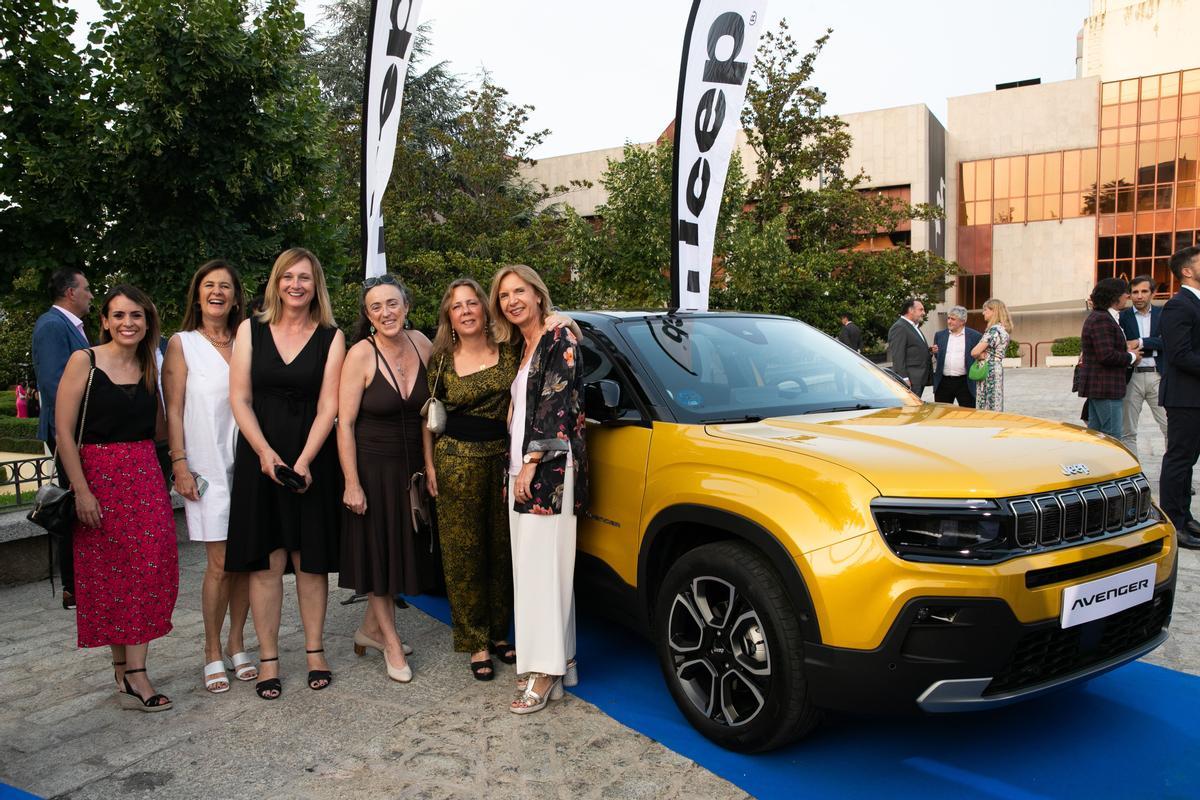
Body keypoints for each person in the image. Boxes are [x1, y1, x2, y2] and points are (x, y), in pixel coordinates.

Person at [226, 248, 345, 700]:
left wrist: (305, 461)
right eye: (288, 277)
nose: (296, 285)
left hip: (310, 455)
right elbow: (239, 399)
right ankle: (269, 657)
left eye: (306, 278)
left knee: (309, 560)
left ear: (317, 286)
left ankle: (315, 651)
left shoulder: (331, 337)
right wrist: (264, 453)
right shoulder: (249, 329)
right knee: (267, 561)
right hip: (261, 454)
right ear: (276, 282)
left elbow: (329, 405)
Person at [55, 284, 178, 712]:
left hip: (143, 474)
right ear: (104, 320)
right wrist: (82, 490)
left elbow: (160, 429)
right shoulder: (84, 361)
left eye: (137, 316)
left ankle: (136, 669)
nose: (128, 323)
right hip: (97, 477)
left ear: (148, 323)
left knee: (150, 567)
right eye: (119, 315)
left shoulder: (150, 365)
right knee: (108, 576)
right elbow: (63, 433)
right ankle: (125, 669)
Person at [491, 264, 588, 715]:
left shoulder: (557, 336)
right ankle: (560, 662)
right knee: (535, 573)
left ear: (537, 294)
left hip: (548, 472)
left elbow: (556, 405)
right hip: (523, 469)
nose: (512, 300)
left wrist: (531, 464)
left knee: (544, 572)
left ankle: (544, 673)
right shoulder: (526, 343)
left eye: (520, 292)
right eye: (505, 295)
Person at [161, 260, 257, 694]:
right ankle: (211, 649)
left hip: (250, 461)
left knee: (248, 560)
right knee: (220, 563)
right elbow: (173, 410)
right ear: (197, 295)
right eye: (208, 286)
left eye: (225, 286)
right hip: (206, 465)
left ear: (236, 297)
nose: (217, 292)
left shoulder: (248, 339)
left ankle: (239, 641)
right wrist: (179, 463)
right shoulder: (181, 344)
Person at [337, 274, 433, 684]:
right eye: (375, 307)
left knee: (400, 553)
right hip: (372, 468)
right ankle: (391, 643)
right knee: (377, 556)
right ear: (367, 315)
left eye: (392, 304)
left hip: (410, 470)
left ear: (406, 306)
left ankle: (369, 629)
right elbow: (345, 425)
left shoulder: (423, 344)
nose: (385, 313)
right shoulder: (360, 353)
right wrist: (351, 482)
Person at [424, 278, 519, 682]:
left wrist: (563, 321)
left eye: (471, 304)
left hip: (502, 460)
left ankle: (499, 633)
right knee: (463, 555)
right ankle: (474, 641)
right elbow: (428, 417)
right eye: (456, 306)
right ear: (449, 316)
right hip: (454, 461)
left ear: (484, 308)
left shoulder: (511, 350)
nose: (465, 311)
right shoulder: (441, 360)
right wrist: (428, 467)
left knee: (502, 551)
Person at [31, 267, 94, 610]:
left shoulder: (65, 326)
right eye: (86, 288)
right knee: (74, 503)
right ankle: (73, 585)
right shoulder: (53, 326)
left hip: (75, 431)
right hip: (71, 433)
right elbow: (56, 387)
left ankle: (79, 581)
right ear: (70, 292)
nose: (90, 295)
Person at [1159, 246, 1200, 549]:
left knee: (1188, 461)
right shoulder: (1179, 305)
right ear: (1187, 270)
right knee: (1179, 459)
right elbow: (1180, 354)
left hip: (1195, 395)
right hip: (1184, 396)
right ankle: (1173, 522)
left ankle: (1184, 515)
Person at [1078, 278, 1140, 439]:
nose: (1128, 295)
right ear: (1114, 296)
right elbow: (1106, 355)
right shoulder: (1101, 319)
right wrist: (1132, 356)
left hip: (1102, 387)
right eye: (1125, 292)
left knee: (1097, 436)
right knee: (1111, 438)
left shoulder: (1103, 317)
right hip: (1105, 388)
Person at [1119, 275, 1168, 454]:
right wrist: (1154, 342)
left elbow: (1167, 342)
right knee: (1127, 432)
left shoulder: (1163, 314)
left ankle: (1172, 475)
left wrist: (1139, 342)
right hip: (1131, 377)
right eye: (1135, 292)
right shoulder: (1121, 317)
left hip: (1158, 375)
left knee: (1170, 428)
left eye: (1144, 291)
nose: (1139, 296)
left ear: (1152, 293)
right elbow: (1121, 344)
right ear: (1130, 295)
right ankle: (1133, 476)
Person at [932, 306, 983, 407]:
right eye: (948, 318)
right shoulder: (939, 335)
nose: (949, 321)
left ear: (962, 321)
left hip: (965, 383)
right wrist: (935, 352)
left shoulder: (975, 336)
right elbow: (939, 357)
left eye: (953, 319)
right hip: (943, 382)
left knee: (967, 415)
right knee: (941, 414)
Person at [970, 298, 1013, 412]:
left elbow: (974, 352)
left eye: (985, 310)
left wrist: (980, 355)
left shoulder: (994, 331)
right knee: (995, 401)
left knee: (987, 404)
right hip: (996, 368)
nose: (983, 312)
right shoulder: (1003, 330)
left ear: (994, 311)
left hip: (988, 370)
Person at [887, 298, 932, 398]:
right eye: (921, 309)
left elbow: (912, 349)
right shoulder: (900, 327)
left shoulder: (913, 326)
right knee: (910, 411)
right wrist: (904, 378)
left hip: (918, 379)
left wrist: (929, 351)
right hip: (911, 381)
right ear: (911, 310)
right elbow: (898, 356)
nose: (924, 313)